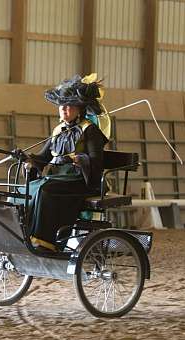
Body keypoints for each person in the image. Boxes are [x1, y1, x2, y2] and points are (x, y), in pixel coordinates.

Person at [25, 74, 109, 251]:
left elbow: (96, 162)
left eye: (69, 106)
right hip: (59, 179)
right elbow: (42, 157)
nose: (64, 109)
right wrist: (26, 158)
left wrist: (73, 158)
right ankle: (24, 233)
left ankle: (44, 241)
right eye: (61, 106)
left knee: (44, 189)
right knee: (26, 189)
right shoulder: (58, 130)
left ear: (80, 109)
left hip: (80, 181)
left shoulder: (90, 131)